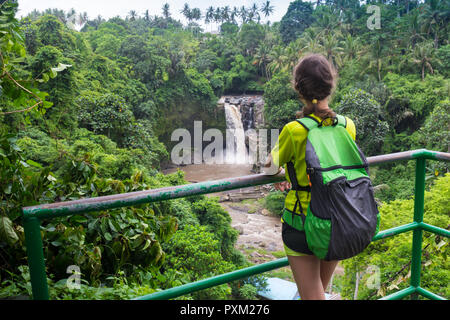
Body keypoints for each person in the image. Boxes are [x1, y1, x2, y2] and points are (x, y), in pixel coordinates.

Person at [264, 53, 357, 300]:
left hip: (302, 221)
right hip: (338, 217)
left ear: (299, 89)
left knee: (312, 296)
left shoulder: (294, 130)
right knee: (318, 292)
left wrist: (284, 174)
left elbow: (269, 167)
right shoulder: (348, 125)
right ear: (330, 86)